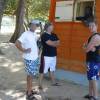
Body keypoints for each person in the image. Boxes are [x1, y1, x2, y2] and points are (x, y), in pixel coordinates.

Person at [15, 20, 40, 100]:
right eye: (34, 25)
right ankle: (29, 94)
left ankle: (30, 89)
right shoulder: (25, 34)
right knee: (30, 76)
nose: (35, 26)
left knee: (32, 75)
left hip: (35, 58)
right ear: (30, 25)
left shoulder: (34, 34)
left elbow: (34, 42)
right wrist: (24, 50)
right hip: (29, 58)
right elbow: (17, 43)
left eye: (36, 25)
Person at [39, 22, 60, 89]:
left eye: (52, 27)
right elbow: (51, 44)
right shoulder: (44, 35)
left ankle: (53, 82)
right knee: (43, 70)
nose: (52, 28)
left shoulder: (54, 34)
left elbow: (58, 43)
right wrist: (54, 42)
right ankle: (40, 85)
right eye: (51, 27)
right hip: (46, 56)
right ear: (47, 27)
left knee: (52, 69)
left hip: (53, 55)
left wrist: (53, 43)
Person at [84, 21, 100, 100]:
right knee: (90, 78)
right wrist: (88, 47)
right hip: (90, 60)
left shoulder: (96, 36)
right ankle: (90, 95)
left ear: (96, 26)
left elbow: (86, 49)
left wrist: (88, 47)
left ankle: (96, 97)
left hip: (94, 61)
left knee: (94, 79)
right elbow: (84, 46)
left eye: (92, 26)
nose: (90, 27)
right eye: (89, 26)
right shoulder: (92, 36)